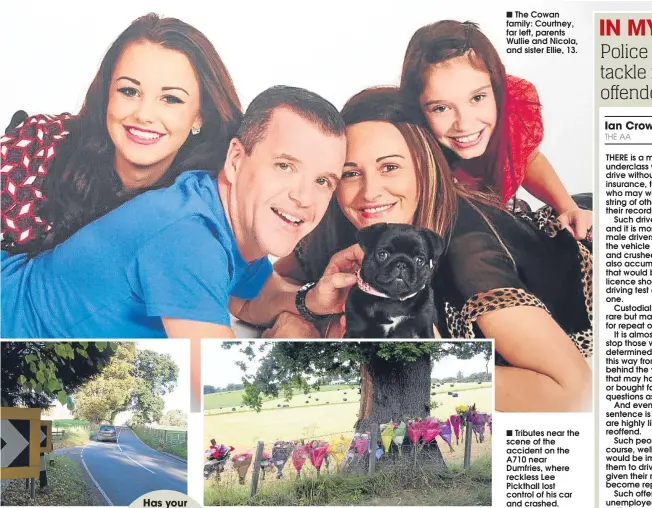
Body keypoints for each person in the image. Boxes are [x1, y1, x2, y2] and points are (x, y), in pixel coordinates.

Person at [268, 87, 592, 412]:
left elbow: (571, 392)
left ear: (425, 167)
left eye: (390, 167)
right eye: (351, 173)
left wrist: (426, 361)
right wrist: (303, 317)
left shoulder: (470, 252)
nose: (370, 193)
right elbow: (254, 288)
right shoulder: (342, 221)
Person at [1, 85, 355, 340]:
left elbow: (251, 297)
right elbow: (208, 387)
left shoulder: (219, 207)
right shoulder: (189, 240)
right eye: (284, 166)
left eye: (323, 180)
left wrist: (308, 302)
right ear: (235, 161)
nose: (304, 197)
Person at [1, 13, 242, 255]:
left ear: (200, 115)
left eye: (170, 99)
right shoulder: (39, 144)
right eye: (129, 91)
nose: (144, 114)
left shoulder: (211, 202)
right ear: (107, 94)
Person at [400, 20, 593, 241]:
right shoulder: (403, 144)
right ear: (418, 108)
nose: (464, 124)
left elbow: (528, 159)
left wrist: (567, 206)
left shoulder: (509, 110)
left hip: (500, 215)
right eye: (441, 108)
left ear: (496, 90)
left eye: (477, 98)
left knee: (592, 205)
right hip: (450, 237)